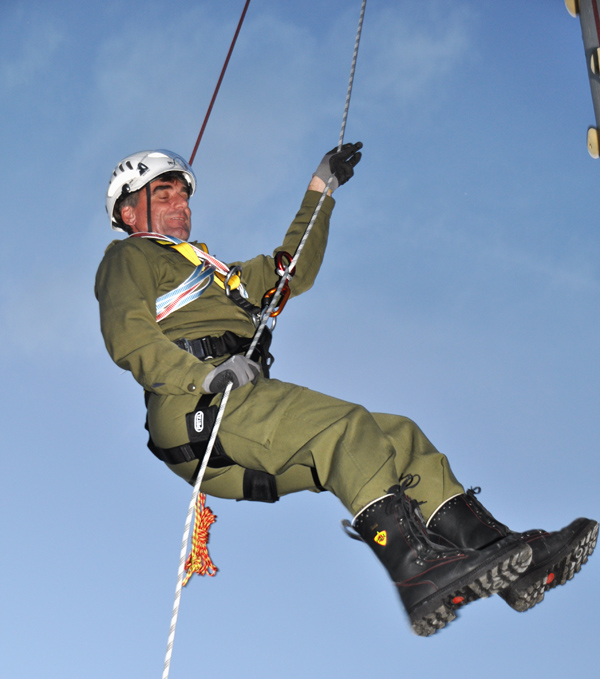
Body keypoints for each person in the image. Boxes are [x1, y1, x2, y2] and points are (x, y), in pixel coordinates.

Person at [95, 148, 598, 637]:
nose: (181, 205)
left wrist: (321, 189)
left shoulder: (219, 276)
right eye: (164, 195)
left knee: (397, 437)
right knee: (344, 427)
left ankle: (501, 554)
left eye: (184, 196)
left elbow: (291, 271)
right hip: (196, 404)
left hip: (236, 412)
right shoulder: (130, 256)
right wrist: (203, 378)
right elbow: (129, 335)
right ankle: (417, 574)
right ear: (128, 211)